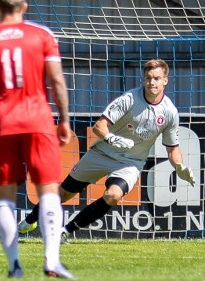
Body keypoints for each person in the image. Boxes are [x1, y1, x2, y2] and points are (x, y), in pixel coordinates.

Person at [0, 0, 74, 279]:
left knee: (5, 197)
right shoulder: (42, 36)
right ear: (24, 6)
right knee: (49, 190)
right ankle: (52, 260)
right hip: (38, 121)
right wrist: (64, 118)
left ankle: (14, 266)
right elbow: (57, 82)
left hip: (1, 123)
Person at [18, 58, 196, 242]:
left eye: (157, 78)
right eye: (148, 78)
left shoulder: (169, 112)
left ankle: (66, 231)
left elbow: (173, 149)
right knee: (63, 194)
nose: (152, 82)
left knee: (113, 195)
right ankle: (30, 219)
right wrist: (112, 138)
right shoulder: (129, 100)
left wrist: (180, 166)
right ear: (143, 79)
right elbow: (99, 127)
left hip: (130, 163)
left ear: (165, 80)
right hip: (102, 153)